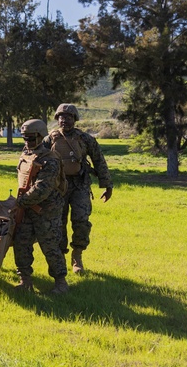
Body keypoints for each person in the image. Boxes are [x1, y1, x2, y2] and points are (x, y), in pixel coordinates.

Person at [42, 103, 113, 273]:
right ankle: (59, 258)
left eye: (68, 117)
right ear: (57, 119)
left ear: (74, 119)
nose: (64, 120)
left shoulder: (85, 139)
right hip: (58, 187)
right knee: (58, 223)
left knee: (81, 221)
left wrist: (107, 185)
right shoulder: (49, 139)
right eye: (61, 117)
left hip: (80, 185)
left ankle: (77, 256)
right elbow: (36, 160)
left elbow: (99, 161)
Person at [13, 119, 68, 294]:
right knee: (21, 243)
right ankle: (25, 279)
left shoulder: (50, 159)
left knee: (50, 246)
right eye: (25, 138)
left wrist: (19, 203)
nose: (27, 142)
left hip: (47, 211)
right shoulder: (25, 155)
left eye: (31, 138)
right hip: (27, 209)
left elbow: (42, 189)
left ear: (40, 136)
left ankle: (61, 282)